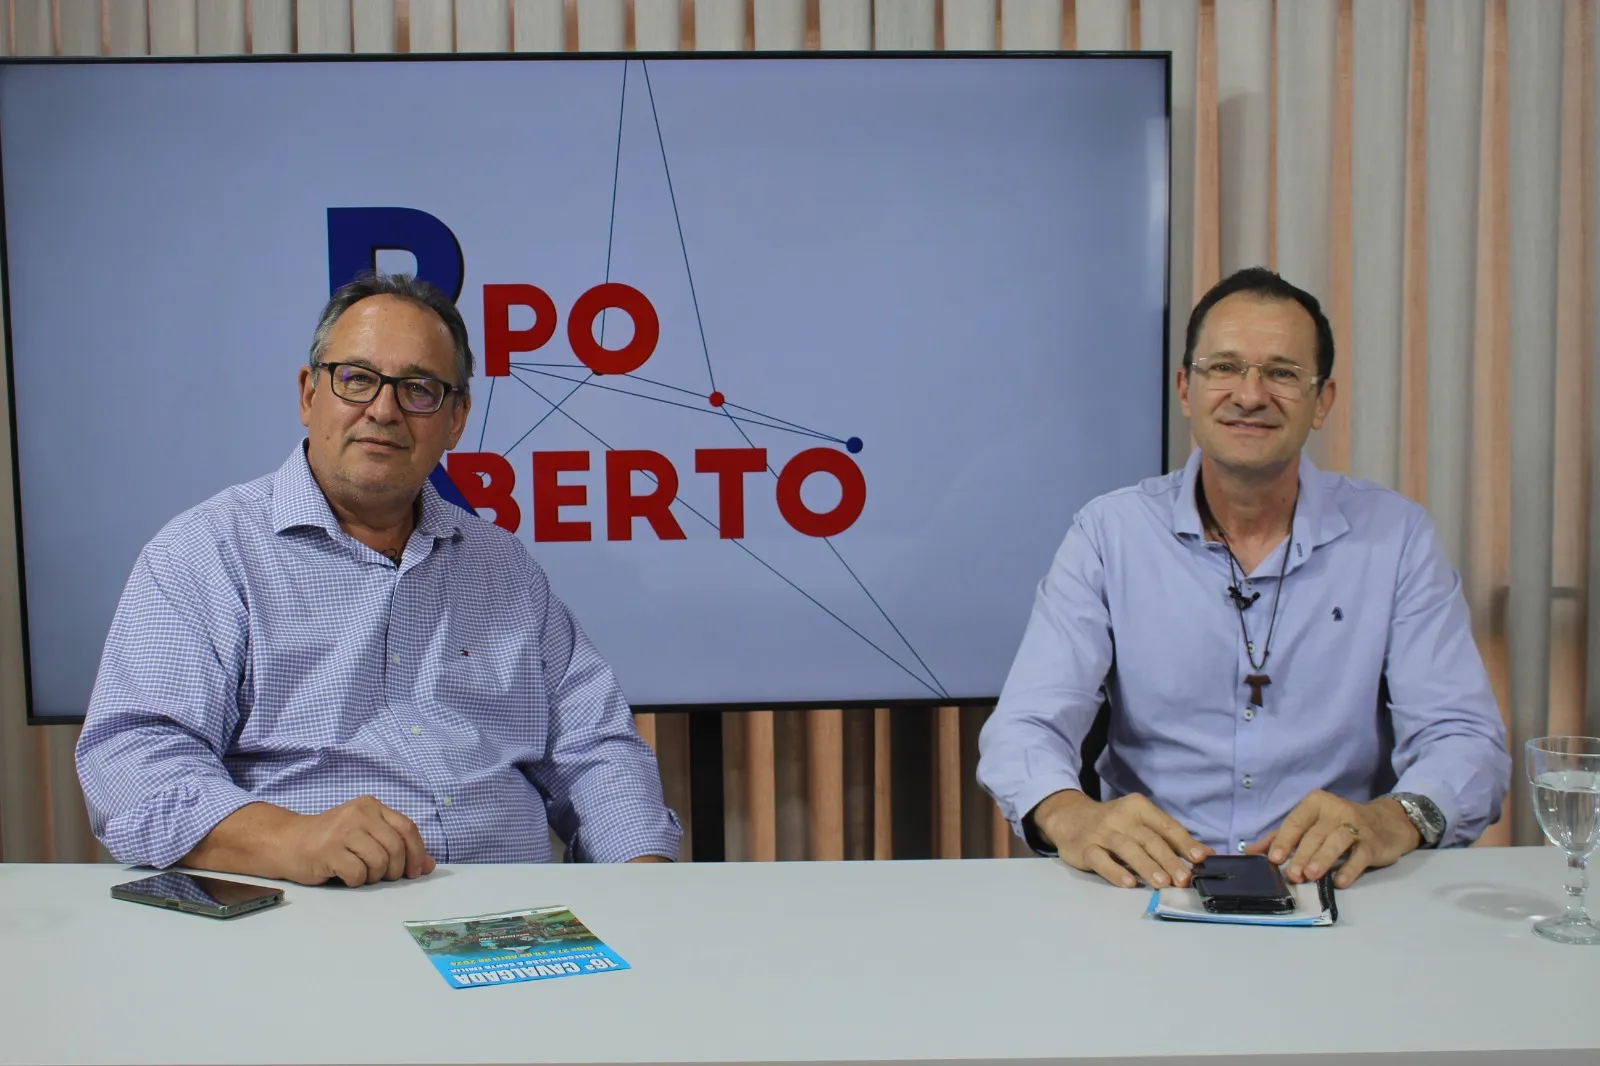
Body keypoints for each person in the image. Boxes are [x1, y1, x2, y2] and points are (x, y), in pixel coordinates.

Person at [76, 273, 680, 886]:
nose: (384, 410)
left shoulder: (504, 568)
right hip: (307, 916)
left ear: (455, 419)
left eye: (419, 389)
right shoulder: (204, 554)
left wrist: (644, 882)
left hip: (518, 923)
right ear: (309, 393)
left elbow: (595, 748)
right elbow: (132, 764)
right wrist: (291, 838)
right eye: (357, 378)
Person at [977, 267, 1509, 891]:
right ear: (1185, 389)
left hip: (1338, 889)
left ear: (1323, 401)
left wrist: (1396, 817)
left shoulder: (1395, 537)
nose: (1250, 394)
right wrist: (1071, 816)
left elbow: (1464, 738)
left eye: (1282, 372)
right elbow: (1026, 725)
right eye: (1223, 367)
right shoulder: (1108, 533)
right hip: (1147, 887)